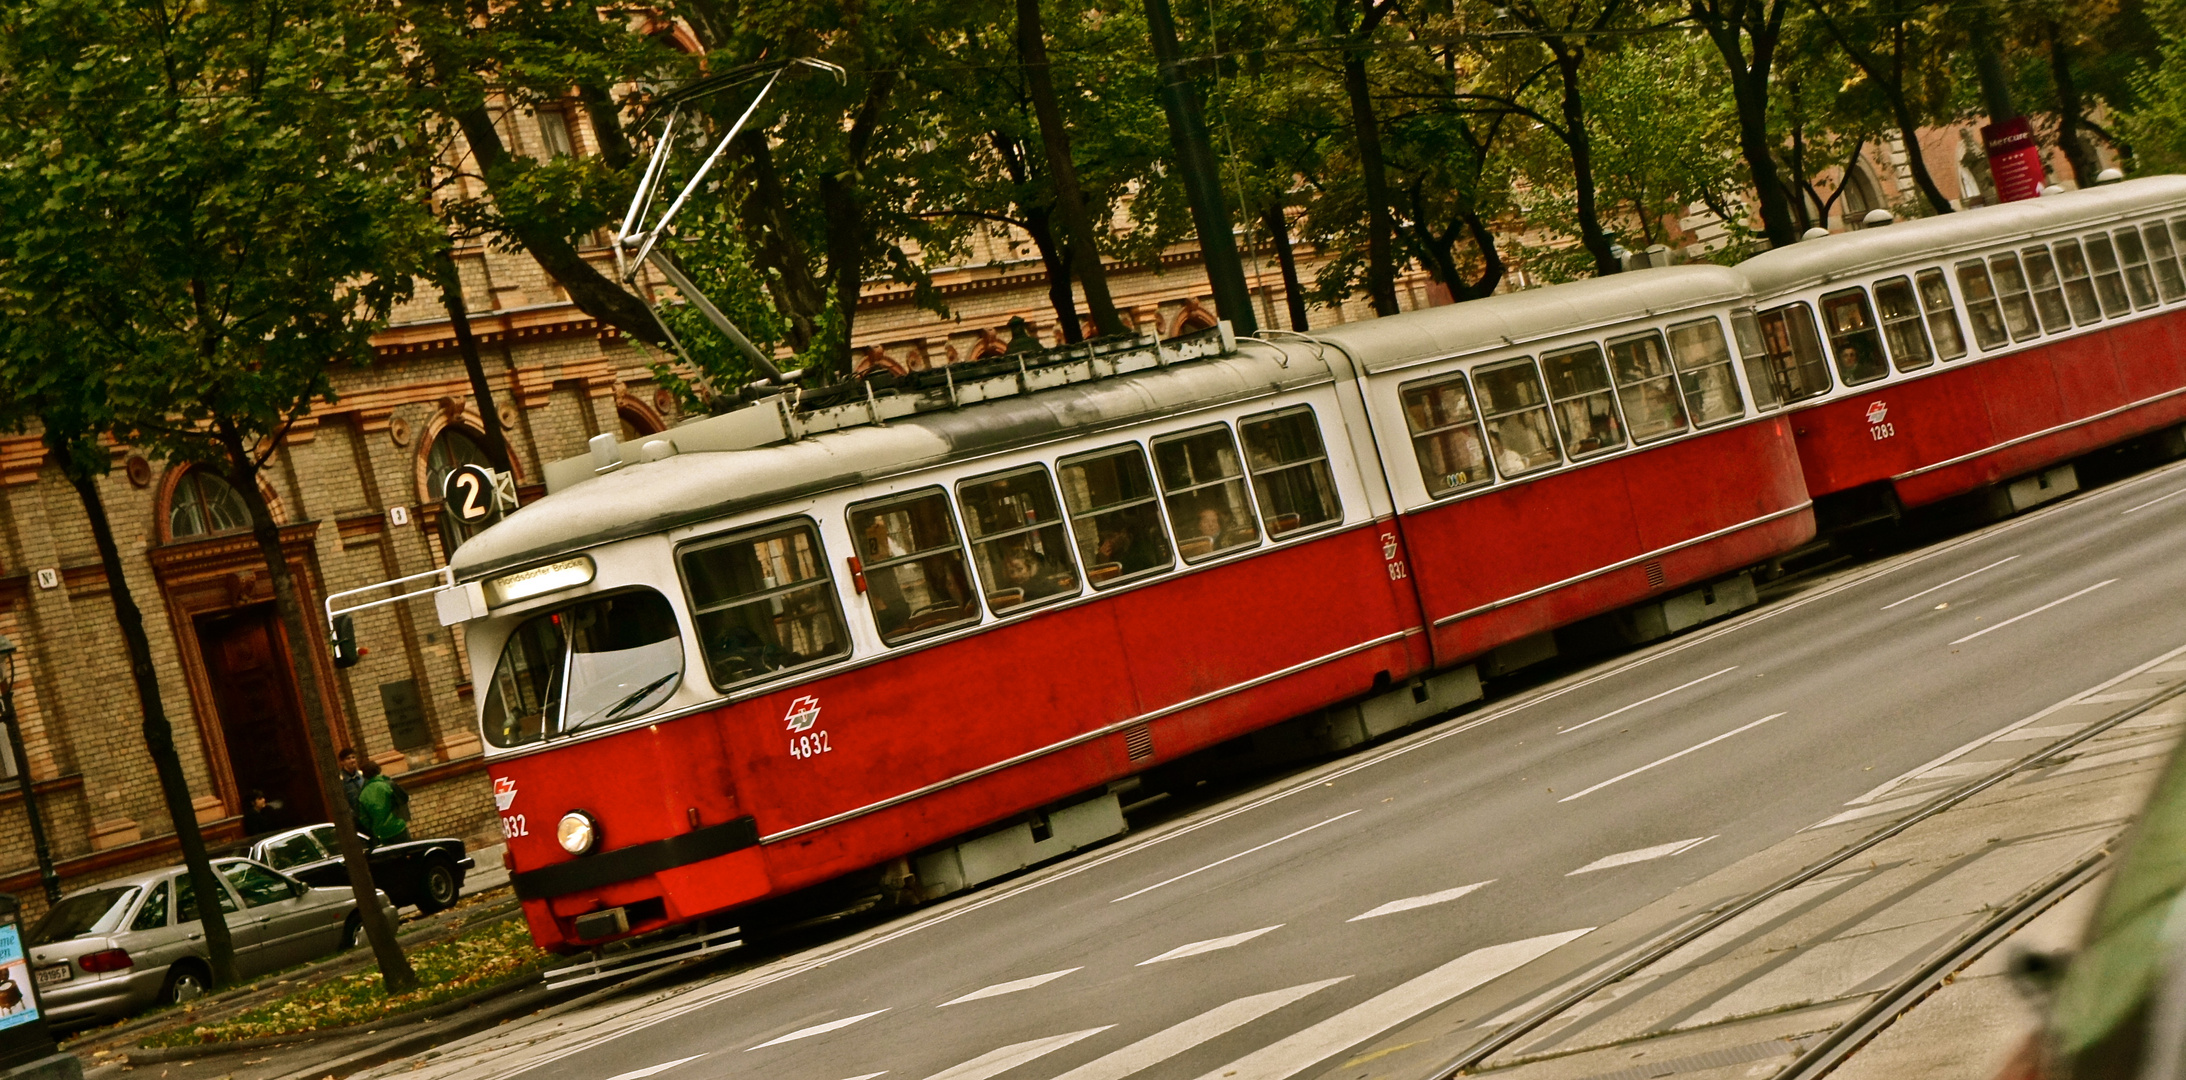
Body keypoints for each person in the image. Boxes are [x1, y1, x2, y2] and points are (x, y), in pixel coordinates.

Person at [356, 759, 411, 846]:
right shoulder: (387, 784)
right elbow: (404, 798)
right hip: (397, 827)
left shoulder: (363, 794)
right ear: (378, 770)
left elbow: (364, 819)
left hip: (381, 834)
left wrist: (374, 828)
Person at [337, 748, 365, 820]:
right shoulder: (340, 780)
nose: (352, 760)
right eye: (348, 758)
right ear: (342, 762)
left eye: (353, 757)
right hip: (354, 819)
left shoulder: (362, 775)